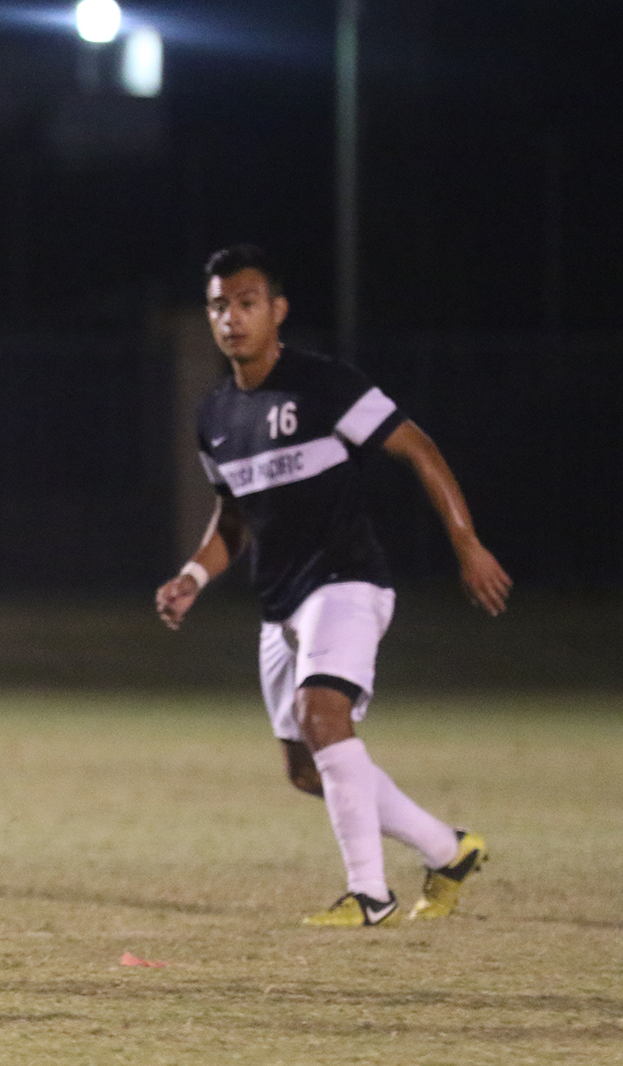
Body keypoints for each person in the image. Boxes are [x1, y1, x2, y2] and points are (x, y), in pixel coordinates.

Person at [155, 244, 510, 928]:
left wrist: (467, 543)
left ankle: (369, 895)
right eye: (219, 305)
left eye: (247, 303)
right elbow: (234, 515)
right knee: (307, 769)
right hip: (280, 601)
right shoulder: (215, 416)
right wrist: (194, 576)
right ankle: (448, 849)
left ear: (278, 311)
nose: (232, 318)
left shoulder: (323, 384)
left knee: (326, 720)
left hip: (347, 581)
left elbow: (418, 447)